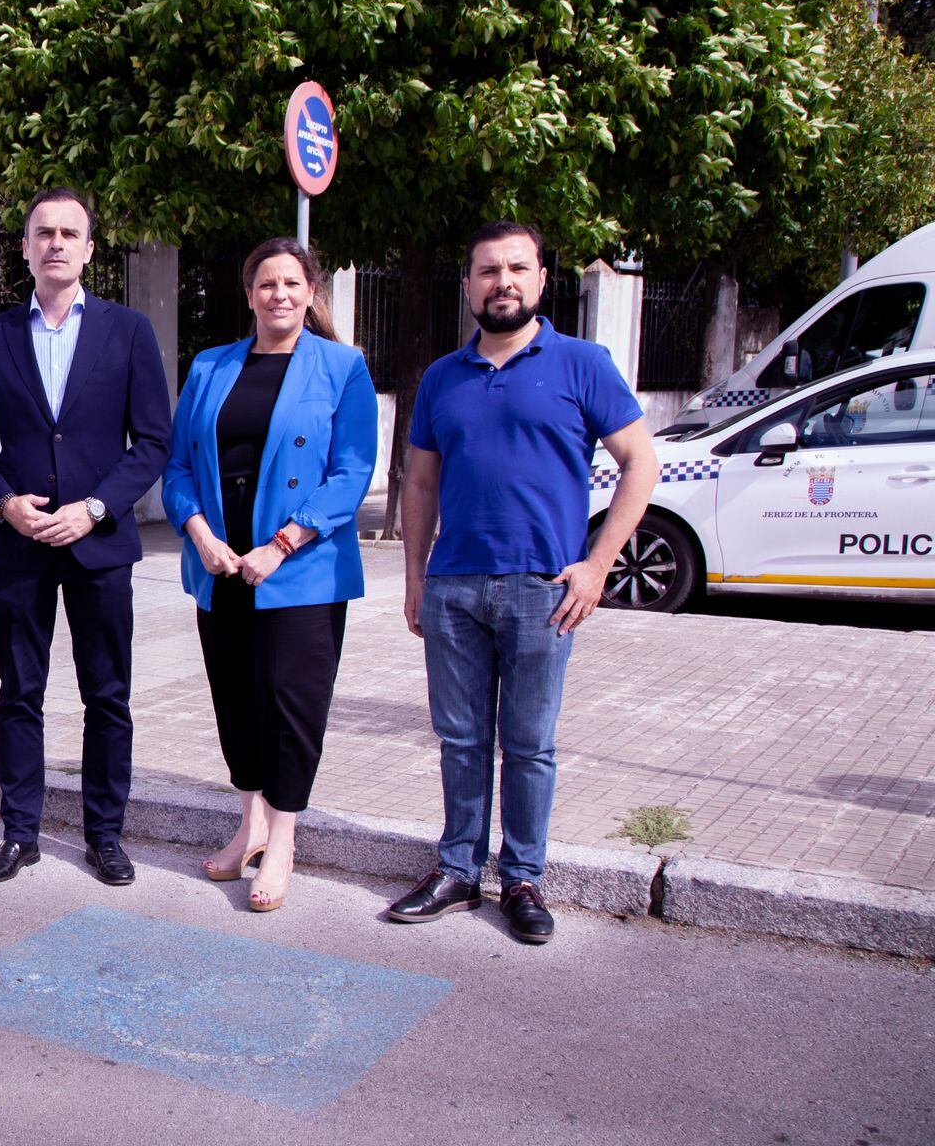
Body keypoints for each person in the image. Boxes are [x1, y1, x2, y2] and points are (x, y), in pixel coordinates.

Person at [387, 220, 658, 943]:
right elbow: (419, 480)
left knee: (530, 744)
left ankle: (524, 880)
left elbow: (641, 463)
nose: (501, 281)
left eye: (516, 268)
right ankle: (456, 870)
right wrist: (415, 573)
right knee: (461, 738)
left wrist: (598, 564)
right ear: (469, 285)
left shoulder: (581, 364)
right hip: (454, 589)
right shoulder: (443, 377)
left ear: (541, 280)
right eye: (486, 270)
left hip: (546, 589)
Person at [0, 188, 171, 886]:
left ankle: (104, 833)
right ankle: (21, 834)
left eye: (68, 233)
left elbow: (153, 441)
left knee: (107, 695)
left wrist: (99, 507)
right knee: (20, 692)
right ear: (25, 247)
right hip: (18, 548)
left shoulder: (127, 331)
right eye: (42, 232)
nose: (55, 243)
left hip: (98, 546)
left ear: (88, 249)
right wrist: (4, 504)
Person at [161, 237, 377, 912]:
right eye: (265, 284)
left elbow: (352, 472)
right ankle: (249, 824)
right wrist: (199, 535)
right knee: (236, 701)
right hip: (221, 567)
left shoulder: (342, 367)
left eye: (291, 283)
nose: (278, 294)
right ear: (248, 293)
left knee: (290, 705)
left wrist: (282, 544)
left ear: (311, 292)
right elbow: (177, 470)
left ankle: (282, 839)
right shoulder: (209, 366)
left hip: (301, 572)